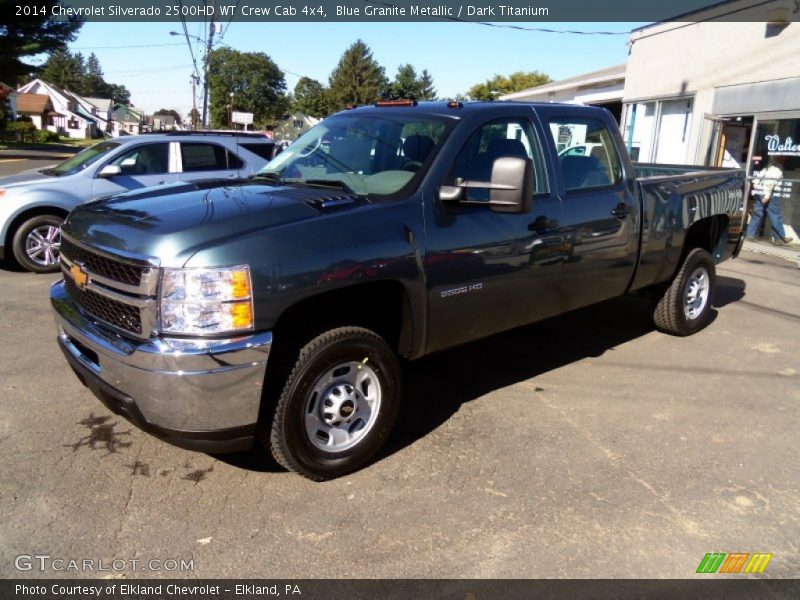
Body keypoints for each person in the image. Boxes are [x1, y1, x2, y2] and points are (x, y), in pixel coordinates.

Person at [747, 155, 791, 244]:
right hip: (770, 194)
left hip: (760, 191)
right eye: (783, 158)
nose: (785, 159)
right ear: (780, 158)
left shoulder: (768, 167)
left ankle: (750, 235)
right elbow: (769, 183)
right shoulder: (777, 169)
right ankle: (780, 238)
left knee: (757, 214)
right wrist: (766, 196)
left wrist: (758, 189)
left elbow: (756, 180)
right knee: (774, 215)